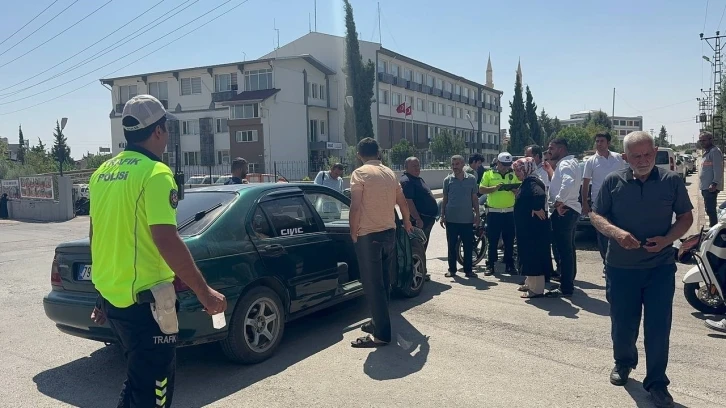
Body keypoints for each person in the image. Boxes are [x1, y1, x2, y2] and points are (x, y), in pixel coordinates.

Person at [88, 95, 227, 407]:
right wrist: (205, 293)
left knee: (139, 382)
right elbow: (166, 240)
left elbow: (98, 236)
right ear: (159, 131)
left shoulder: (102, 174)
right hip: (147, 306)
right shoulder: (155, 172)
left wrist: (100, 296)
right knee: (155, 393)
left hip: (116, 301)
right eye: (167, 130)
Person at [589, 131, 693, 408]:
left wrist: (668, 239)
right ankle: (623, 363)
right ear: (625, 157)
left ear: (655, 151)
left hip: (660, 268)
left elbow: (685, 216)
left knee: (658, 327)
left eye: (648, 154)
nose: (644, 159)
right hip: (621, 268)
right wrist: (616, 232)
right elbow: (596, 215)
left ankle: (657, 383)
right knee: (623, 324)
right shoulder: (613, 182)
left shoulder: (671, 181)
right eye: (637, 156)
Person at [349, 137, 413, 348]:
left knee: (373, 285)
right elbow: (402, 201)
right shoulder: (389, 173)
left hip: (369, 235)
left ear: (359, 155)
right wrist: (407, 222)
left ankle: (381, 335)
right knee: (384, 282)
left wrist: (353, 232)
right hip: (389, 233)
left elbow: (356, 207)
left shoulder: (359, 173)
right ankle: (377, 322)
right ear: (378, 153)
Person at [581, 131, 628, 275]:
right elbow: (585, 183)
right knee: (602, 234)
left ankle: (619, 262)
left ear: (608, 143)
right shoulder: (591, 161)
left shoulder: (618, 158)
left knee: (618, 231)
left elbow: (628, 174)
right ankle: (606, 264)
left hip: (619, 201)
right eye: (597, 141)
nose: (599, 144)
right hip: (599, 203)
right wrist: (584, 202)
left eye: (602, 141)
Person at [511, 157, 553, 298]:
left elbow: (539, 195)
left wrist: (537, 207)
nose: (517, 173)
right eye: (515, 170)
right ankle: (530, 283)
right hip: (527, 229)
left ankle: (536, 290)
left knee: (533, 256)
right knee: (527, 255)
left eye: (519, 170)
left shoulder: (532, 182)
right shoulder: (528, 181)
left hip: (533, 230)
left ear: (527, 169)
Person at [545, 138, 582, 298]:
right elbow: (561, 181)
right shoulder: (571, 162)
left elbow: (568, 182)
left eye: (551, 148)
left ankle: (566, 287)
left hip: (564, 211)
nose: (548, 151)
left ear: (561, 149)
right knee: (568, 249)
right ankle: (568, 280)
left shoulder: (566, 164)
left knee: (564, 250)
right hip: (569, 209)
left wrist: (558, 202)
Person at [479, 152, 520, 276]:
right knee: (493, 240)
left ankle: (509, 265)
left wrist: (515, 191)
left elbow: (520, 189)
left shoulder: (513, 174)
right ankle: (490, 265)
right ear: (497, 163)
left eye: (508, 165)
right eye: (503, 165)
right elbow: (481, 189)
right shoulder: (488, 174)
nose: (506, 167)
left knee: (509, 241)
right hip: (494, 213)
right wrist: (494, 188)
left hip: (509, 212)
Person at [440, 155, 480, 278]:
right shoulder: (448, 180)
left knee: (468, 246)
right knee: (451, 246)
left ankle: (468, 270)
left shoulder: (472, 179)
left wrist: (477, 215)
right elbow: (445, 198)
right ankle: (452, 270)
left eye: (457, 164)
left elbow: (474, 198)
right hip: (451, 219)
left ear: (463, 164)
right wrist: (442, 215)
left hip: (467, 219)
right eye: (453, 164)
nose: (454, 167)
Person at [400, 157, 438, 250]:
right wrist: (417, 219)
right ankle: (418, 264)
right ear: (406, 168)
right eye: (414, 166)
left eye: (418, 165)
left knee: (422, 246)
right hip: (420, 220)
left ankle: (421, 263)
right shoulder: (407, 181)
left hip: (427, 219)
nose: (417, 168)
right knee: (418, 248)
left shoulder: (416, 178)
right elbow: (409, 202)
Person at [698, 131, 723, 227]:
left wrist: (714, 183)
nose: (702, 142)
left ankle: (713, 229)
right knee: (709, 209)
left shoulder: (714, 151)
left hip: (710, 187)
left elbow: (718, 169)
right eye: (700, 140)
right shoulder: (707, 153)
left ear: (711, 140)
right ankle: (713, 228)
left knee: (711, 210)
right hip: (705, 187)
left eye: (704, 140)